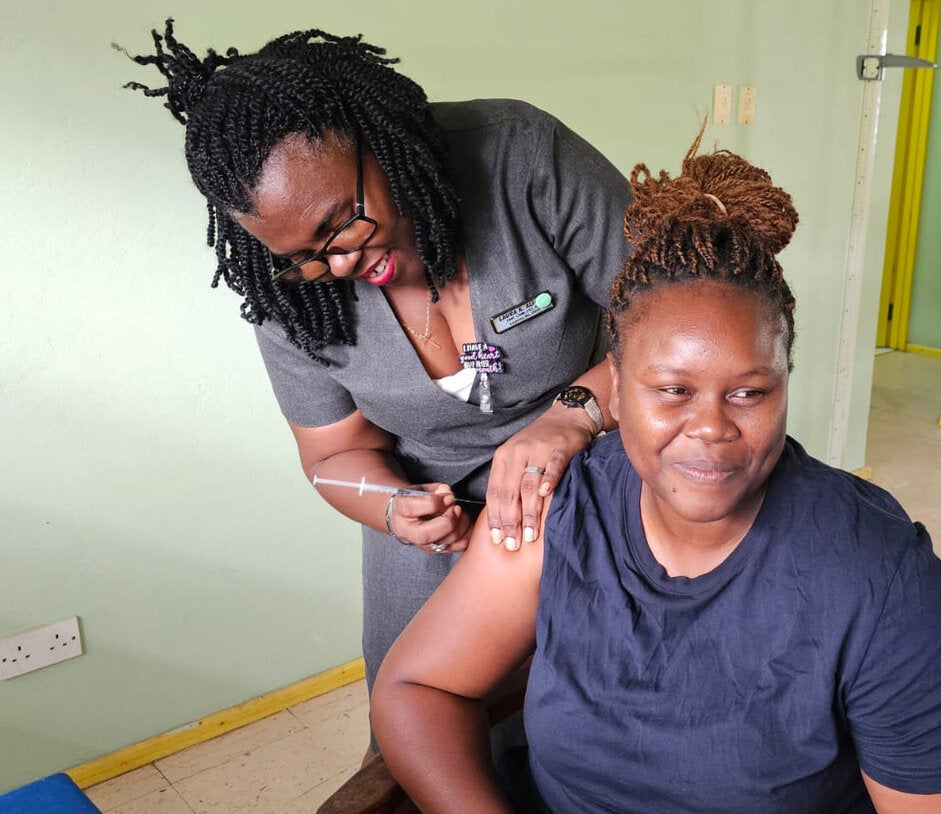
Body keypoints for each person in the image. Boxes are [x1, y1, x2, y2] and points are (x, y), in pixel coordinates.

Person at [371, 137, 941, 814]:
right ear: (616, 386)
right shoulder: (560, 507)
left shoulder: (877, 576)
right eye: (672, 390)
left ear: (785, 381)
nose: (711, 428)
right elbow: (417, 687)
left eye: (750, 392)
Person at [123, 21, 631, 697]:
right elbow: (332, 455)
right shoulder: (290, 293)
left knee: (600, 695)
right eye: (305, 255)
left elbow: (676, 328)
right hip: (436, 512)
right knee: (409, 711)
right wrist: (394, 507)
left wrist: (573, 414)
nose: (339, 263)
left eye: (341, 222)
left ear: (379, 141)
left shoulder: (522, 158)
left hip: (600, 451)